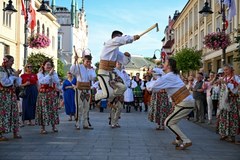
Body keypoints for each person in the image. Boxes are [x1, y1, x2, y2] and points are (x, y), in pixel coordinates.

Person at [147, 58, 195, 150]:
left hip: (184, 102)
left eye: (165, 63)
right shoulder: (172, 74)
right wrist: (153, 71)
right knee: (173, 121)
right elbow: (159, 71)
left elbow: (153, 87)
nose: (163, 64)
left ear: (169, 66)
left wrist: (148, 85)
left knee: (168, 122)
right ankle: (178, 139)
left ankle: (186, 140)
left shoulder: (168, 76)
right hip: (183, 102)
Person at [95, 30, 140, 102]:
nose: (120, 39)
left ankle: (111, 98)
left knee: (123, 87)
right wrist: (132, 38)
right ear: (114, 38)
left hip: (111, 73)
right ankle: (97, 96)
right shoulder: (109, 43)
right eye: (119, 37)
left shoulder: (116, 51)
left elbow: (124, 61)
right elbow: (120, 40)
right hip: (103, 72)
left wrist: (127, 57)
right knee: (107, 94)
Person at [70, 54, 96, 130]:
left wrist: (90, 70)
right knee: (79, 106)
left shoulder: (91, 69)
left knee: (87, 107)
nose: (88, 63)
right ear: (83, 61)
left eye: (89, 62)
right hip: (80, 89)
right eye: (87, 61)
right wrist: (75, 61)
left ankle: (86, 123)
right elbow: (72, 71)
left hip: (87, 90)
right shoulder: (79, 67)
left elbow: (93, 77)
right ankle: (77, 123)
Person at [0, 55, 22, 141]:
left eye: (13, 61)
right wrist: (14, 76)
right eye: (11, 61)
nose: (12, 62)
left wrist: (17, 76)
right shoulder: (1, 70)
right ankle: (1, 133)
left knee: (14, 113)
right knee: (3, 114)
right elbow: (5, 83)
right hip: (3, 95)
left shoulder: (12, 70)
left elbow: (17, 83)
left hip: (11, 95)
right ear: (6, 61)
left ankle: (15, 132)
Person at [35, 59, 60, 134]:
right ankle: (43, 128)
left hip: (51, 94)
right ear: (43, 66)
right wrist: (49, 75)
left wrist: (51, 75)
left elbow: (57, 81)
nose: (48, 66)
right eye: (47, 65)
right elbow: (42, 81)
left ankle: (54, 126)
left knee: (53, 110)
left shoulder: (54, 73)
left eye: (50, 65)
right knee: (43, 110)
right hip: (43, 94)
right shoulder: (40, 74)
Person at [218, 64, 240, 144]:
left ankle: (232, 135)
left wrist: (226, 84)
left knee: (232, 118)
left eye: (227, 69)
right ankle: (224, 133)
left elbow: (236, 89)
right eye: (224, 70)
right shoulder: (224, 78)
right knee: (224, 117)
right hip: (224, 101)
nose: (225, 71)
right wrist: (220, 84)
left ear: (231, 69)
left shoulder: (236, 78)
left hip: (232, 101)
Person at [109, 61, 130, 128]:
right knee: (114, 107)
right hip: (115, 91)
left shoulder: (124, 72)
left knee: (120, 108)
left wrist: (127, 85)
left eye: (121, 63)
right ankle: (113, 122)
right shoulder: (113, 71)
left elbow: (128, 80)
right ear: (116, 64)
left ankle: (116, 121)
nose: (120, 65)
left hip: (122, 92)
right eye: (118, 63)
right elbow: (110, 81)